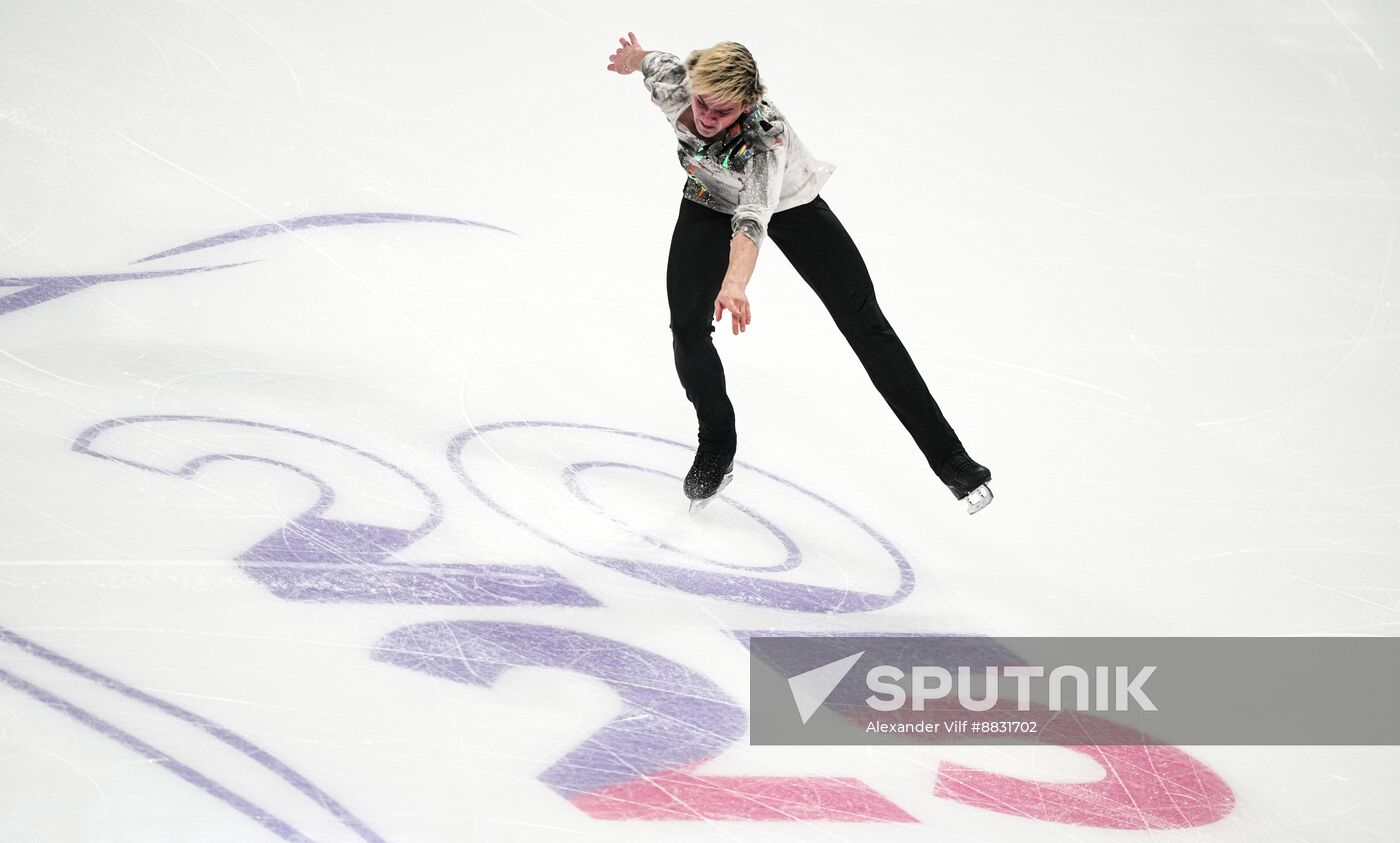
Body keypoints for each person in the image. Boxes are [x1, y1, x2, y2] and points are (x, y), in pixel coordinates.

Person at [606, 33, 993, 515]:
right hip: (706, 197)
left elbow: (753, 218)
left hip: (791, 205)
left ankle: (952, 461)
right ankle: (717, 443)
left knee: (864, 322)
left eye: (723, 111)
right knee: (686, 327)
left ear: (747, 104)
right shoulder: (676, 84)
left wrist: (734, 283)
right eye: (703, 103)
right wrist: (634, 58)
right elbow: (651, 60)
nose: (707, 117)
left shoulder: (764, 138)